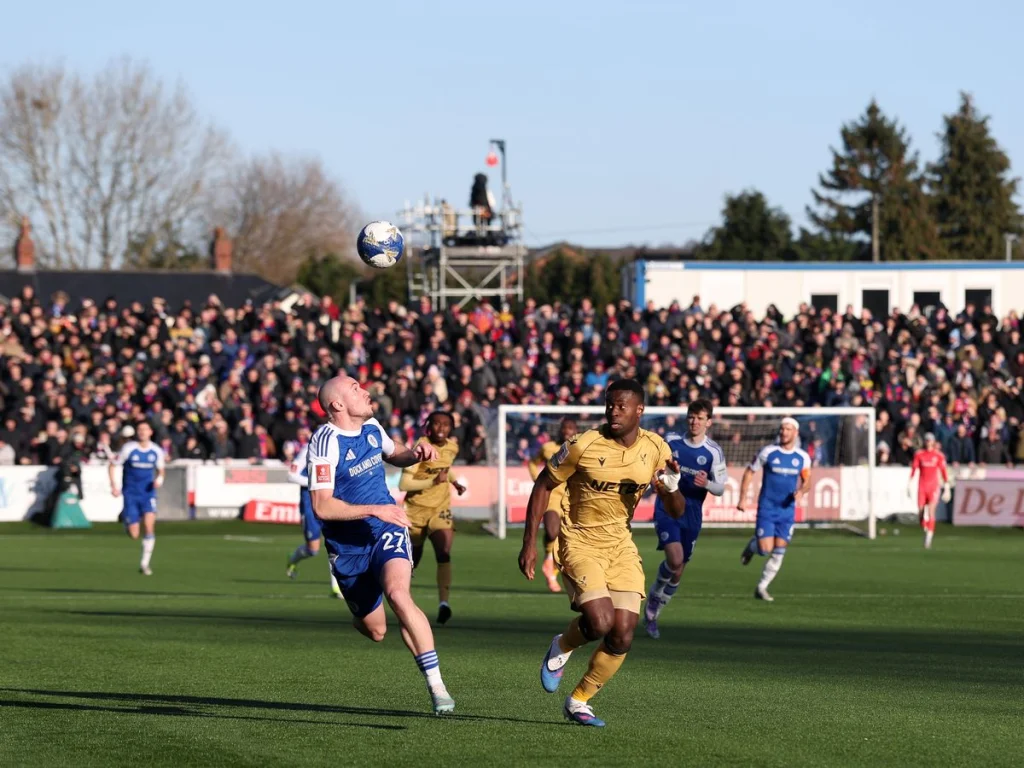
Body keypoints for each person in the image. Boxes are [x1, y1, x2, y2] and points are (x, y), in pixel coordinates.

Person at [518, 379, 683, 727]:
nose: (614, 411)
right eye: (610, 404)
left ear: (639, 410)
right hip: (579, 540)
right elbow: (543, 484)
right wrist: (529, 543)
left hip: (620, 544)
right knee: (600, 622)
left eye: (622, 405)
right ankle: (562, 645)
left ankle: (579, 700)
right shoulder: (583, 445)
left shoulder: (656, 448)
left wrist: (670, 488)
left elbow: (676, 508)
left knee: (622, 632)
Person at [307, 374, 455, 715]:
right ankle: (360, 608)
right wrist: (374, 508)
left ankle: (437, 687)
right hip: (348, 548)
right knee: (375, 630)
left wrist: (415, 454)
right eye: (355, 389)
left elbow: (395, 453)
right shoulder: (325, 442)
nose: (366, 391)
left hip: (386, 528)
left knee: (399, 594)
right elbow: (322, 506)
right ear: (338, 405)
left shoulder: (372, 425)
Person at [644, 399, 727, 639]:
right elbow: (653, 463)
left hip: (692, 512)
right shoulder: (671, 442)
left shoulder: (713, 451)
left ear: (708, 422)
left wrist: (708, 484)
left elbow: (721, 487)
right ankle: (654, 597)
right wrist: (656, 478)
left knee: (678, 570)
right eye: (691, 416)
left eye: (700, 418)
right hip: (668, 505)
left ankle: (654, 613)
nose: (694, 421)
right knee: (675, 558)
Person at [399, 411, 466, 626]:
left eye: (446, 425)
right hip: (415, 511)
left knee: (444, 552)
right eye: (436, 424)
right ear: (428, 426)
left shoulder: (452, 447)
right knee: (411, 562)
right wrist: (433, 481)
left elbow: (446, 468)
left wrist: (454, 482)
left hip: (440, 508)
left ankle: (443, 604)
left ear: (451, 428)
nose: (441, 428)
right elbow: (404, 484)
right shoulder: (420, 448)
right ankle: (402, 601)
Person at [737, 417, 811, 602]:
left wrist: (802, 491)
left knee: (779, 551)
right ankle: (753, 546)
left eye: (788, 429)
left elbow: (808, 480)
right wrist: (743, 499)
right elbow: (749, 471)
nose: (784, 432)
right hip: (767, 509)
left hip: (787, 511)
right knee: (764, 549)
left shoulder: (802, 457)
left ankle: (762, 587)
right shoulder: (769, 452)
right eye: (782, 429)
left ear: (795, 433)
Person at [285, 401, 344, 598]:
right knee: (313, 549)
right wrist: (314, 482)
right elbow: (291, 475)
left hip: (329, 500)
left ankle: (336, 587)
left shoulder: (336, 446)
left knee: (334, 541)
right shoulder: (308, 449)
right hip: (310, 502)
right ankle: (292, 559)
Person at [527, 418, 579, 593]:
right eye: (565, 428)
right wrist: (538, 481)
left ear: (576, 431)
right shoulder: (548, 448)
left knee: (569, 539)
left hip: (572, 498)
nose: (567, 431)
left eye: (571, 428)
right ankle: (550, 560)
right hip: (552, 495)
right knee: (551, 530)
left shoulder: (581, 449)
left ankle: (551, 565)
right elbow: (533, 463)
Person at [108, 421, 165, 576]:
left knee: (149, 526)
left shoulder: (156, 451)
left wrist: (159, 479)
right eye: (139, 429)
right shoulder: (129, 449)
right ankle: (126, 520)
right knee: (134, 535)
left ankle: (144, 564)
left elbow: (161, 470)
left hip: (148, 494)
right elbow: (112, 464)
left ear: (150, 432)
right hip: (130, 493)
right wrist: (113, 485)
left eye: (145, 429)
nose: (142, 432)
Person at [908, 432, 951, 550]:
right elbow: (914, 468)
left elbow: (943, 471)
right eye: (926, 440)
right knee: (921, 512)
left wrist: (947, 486)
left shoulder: (938, 456)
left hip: (933, 487)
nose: (928, 442)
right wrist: (909, 483)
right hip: (922, 486)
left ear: (933, 442)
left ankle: (929, 539)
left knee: (932, 511)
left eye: (930, 440)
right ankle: (926, 527)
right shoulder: (919, 455)